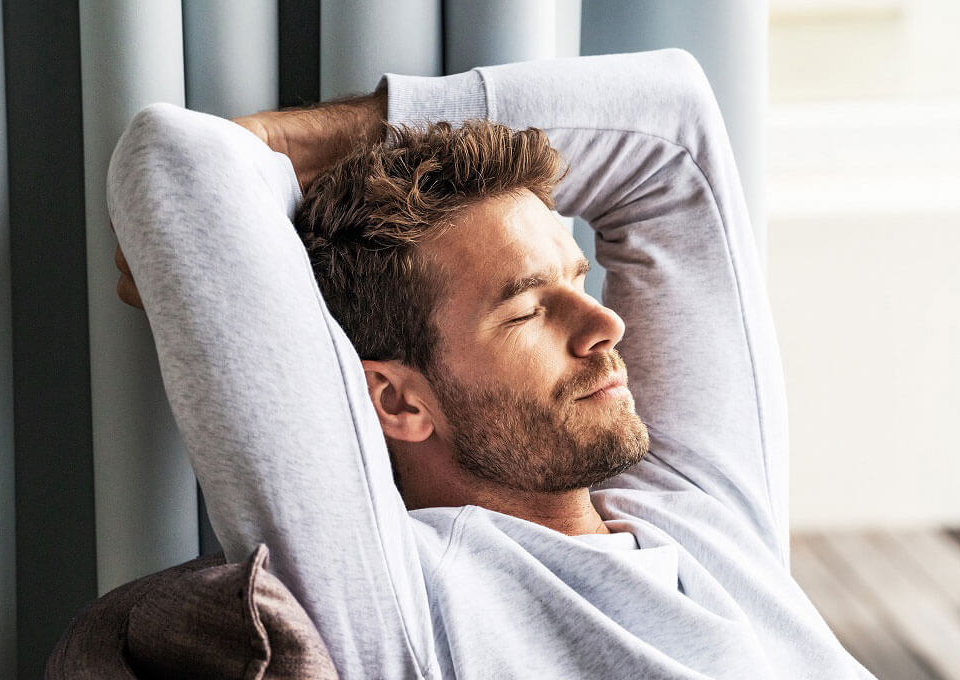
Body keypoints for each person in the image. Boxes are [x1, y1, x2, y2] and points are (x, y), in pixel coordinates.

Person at [108, 48, 877, 679]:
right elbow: (178, 161)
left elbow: (669, 126)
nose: (604, 325)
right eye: (527, 309)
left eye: (576, 281)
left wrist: (306, 142)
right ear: (398, 401)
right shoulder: (411, 601)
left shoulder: (696, 510)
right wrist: (193, 248)